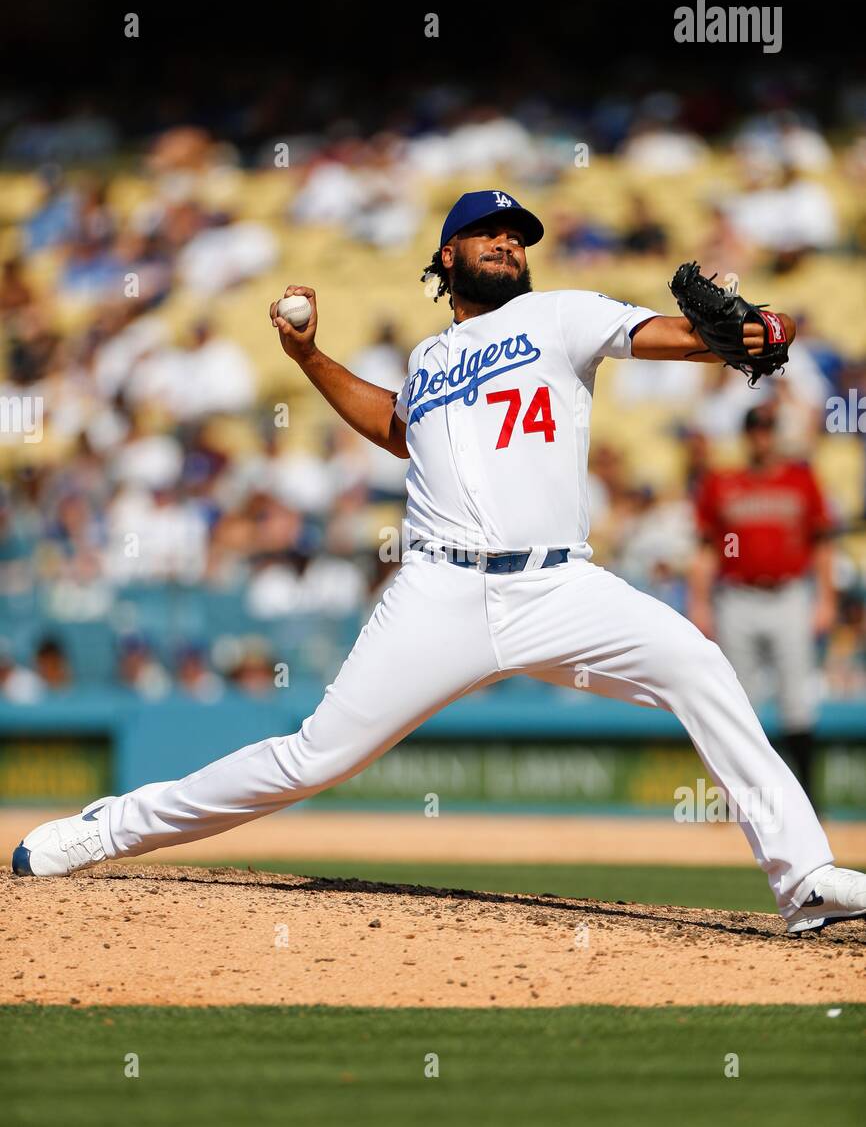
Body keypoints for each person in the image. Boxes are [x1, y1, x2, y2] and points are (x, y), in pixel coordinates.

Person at [13, 189, 866, 937]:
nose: (507, 242)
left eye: (518, 234)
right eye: (488, 231)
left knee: (697, 665)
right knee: (315, 758)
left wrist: (745, 336)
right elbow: (394, 427)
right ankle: (112, 827)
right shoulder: (427, 359)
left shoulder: (557, 316)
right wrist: (309, 360)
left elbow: (669, 335)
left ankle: (803, 881)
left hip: (558, 584)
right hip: (438, 589)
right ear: (448, 255)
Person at [688, 404, 835, 806]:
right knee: (741, 703)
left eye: (768, 429)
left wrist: (825, 598)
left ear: (776, 434)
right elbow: (706, 551)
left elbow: (822, 544)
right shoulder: (723, 483)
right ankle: (739, 802)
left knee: (797, 701)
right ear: (747, 435)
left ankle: (807, 800)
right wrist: (698, 603)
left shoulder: (801, 480)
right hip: (737, 597)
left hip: (789, 594)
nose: (762, 437)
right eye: (756, 430)